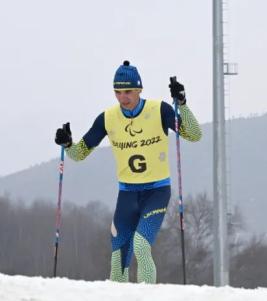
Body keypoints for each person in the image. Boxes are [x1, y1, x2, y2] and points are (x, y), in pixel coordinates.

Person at [54, 61, 202, 284]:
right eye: (118, 92)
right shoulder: (108, 118)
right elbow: (79, 153)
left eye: (129, 91)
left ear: (139, 89)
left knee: (141, 246)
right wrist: (67, 144)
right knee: (116, 261)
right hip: (127, 195)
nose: (123, 97)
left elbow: (194, 134)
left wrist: (182, 103)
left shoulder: (158, 110)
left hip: (156, 191)